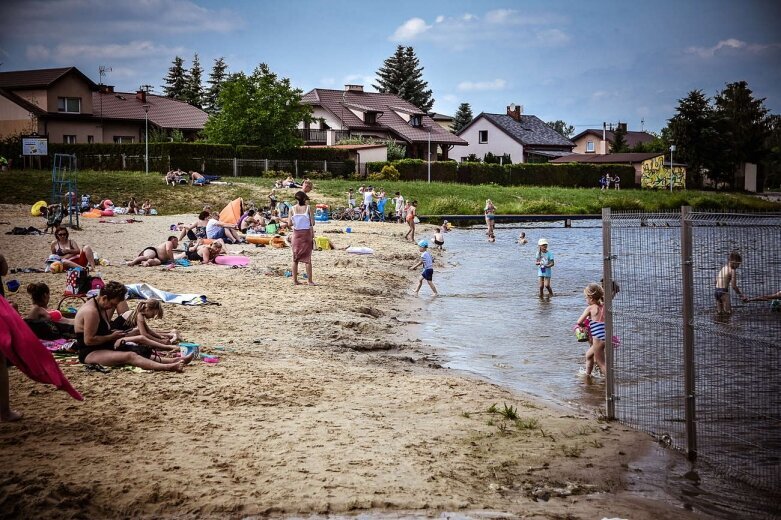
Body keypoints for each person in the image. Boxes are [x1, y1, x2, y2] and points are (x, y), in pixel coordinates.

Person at [73, 281, 191, 371]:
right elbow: (89, 340)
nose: (112, 307)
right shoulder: (91, 312)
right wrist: (111, 337)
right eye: (113, 304)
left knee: (135, 349)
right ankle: (169, 367)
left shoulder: (101, 306)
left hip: (103, 345)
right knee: (130, 355)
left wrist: (113, 336)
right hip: (89, 353)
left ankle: (173, 360)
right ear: (104, 298)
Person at [111, 300, 180, 348]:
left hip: (120, 333)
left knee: (138, 331)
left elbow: (148, 330)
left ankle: (166, 339)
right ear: (147, 310)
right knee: (138, 331)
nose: (153, 317)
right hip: (115, 336)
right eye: (153, 314)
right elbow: (144, 334)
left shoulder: (139, 314)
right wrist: (160, 341)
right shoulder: (139, 315)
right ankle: (164, 344)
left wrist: (160, 337)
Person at [576, 283, 606, 377]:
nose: (586, 299)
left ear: (591, 298)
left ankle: (610, 382)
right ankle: (588, 374)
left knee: (601, 363)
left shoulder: (590, 308)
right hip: (606, 336)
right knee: (588, 355)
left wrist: (583, 326)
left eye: (586, 297)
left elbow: (579, 321)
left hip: (598, 339)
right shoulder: (604, 306)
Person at [288, 190, 316, 286]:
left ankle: (295, 280)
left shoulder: (292, 209)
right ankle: (310, 281)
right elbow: (313, 222)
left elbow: (289, 223)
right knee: (307, 259)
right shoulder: (308, 208)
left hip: (296, 235)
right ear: (305, 199)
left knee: (295, 259)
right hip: (306, 234)